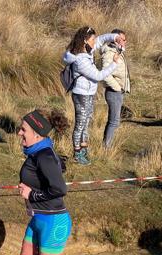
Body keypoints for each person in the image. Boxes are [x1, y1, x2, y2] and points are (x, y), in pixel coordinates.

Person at [17, 109, 114, 255]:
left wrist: (31, 195)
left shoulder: (43, 155)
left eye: (23, 129)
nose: (19, 133)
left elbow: (59, 189)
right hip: (37, 219)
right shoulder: (38, 151)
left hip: (54, 222)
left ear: (37, 133)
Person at [63, 27, 121, 165]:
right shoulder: (80, 59)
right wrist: (114, 63)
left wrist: (114, 37)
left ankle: (84, 151)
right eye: (92, 39)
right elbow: (98, 75)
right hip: (81, 95)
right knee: (80, 125)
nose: (95, 42)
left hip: (89, 94)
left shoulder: (87, 51)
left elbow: (101, 40)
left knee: (86, 123)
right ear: (84, 41)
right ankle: (77, 154)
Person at [101, 28, 130, 149]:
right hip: (113, 92)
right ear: (115, 40)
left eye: (125, 39)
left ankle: (107, 145)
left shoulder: (118, 52)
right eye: (122, 39)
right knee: (113, 121)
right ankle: (107, 147)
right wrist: (117, 87)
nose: (125, 42)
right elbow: (105, 74)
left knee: (114, 120)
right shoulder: (109, 53)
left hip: (118, 92)